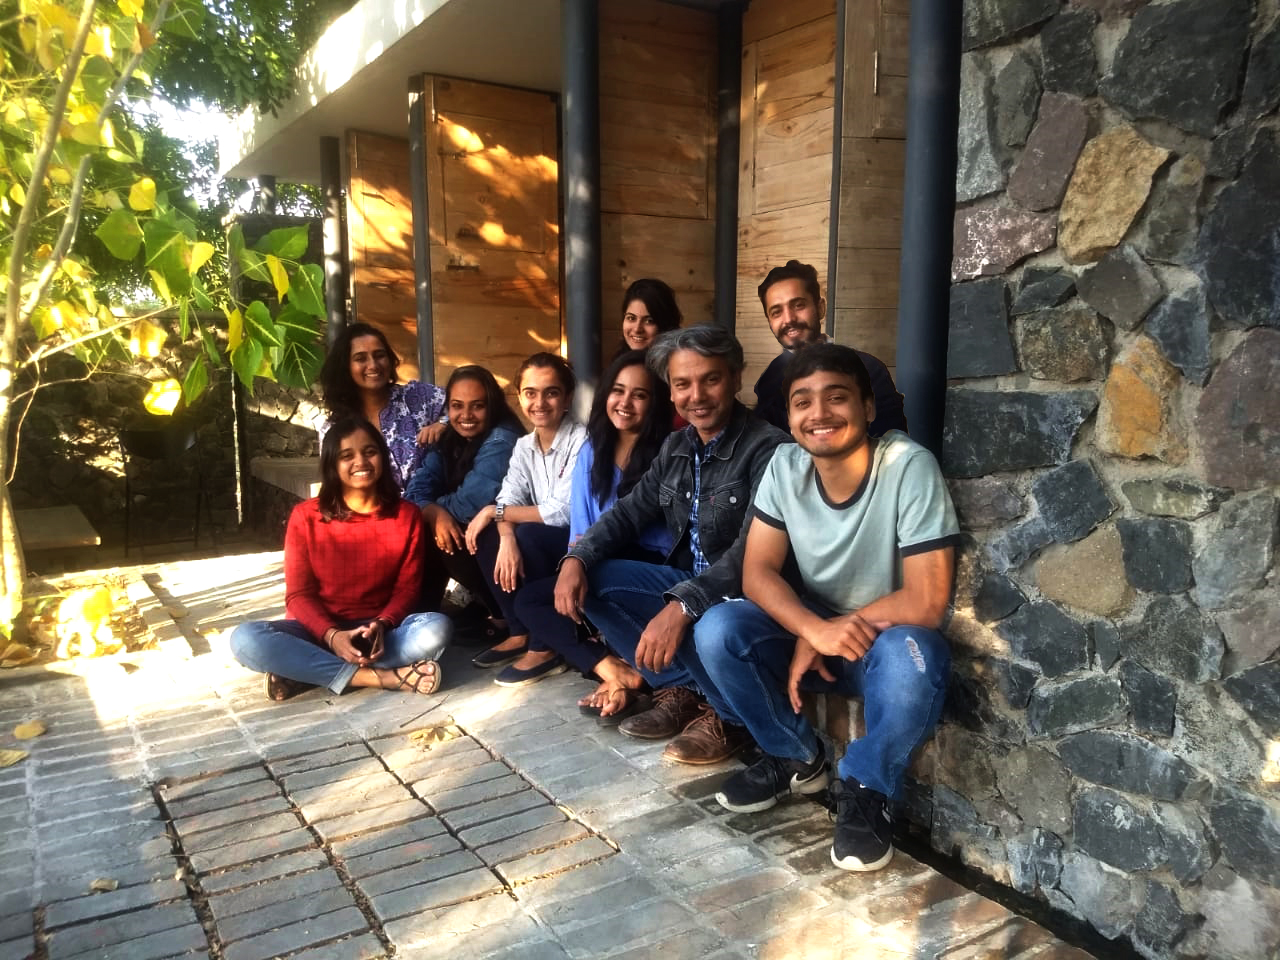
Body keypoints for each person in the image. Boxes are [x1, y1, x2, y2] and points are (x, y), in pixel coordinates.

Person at [698, 343, 957, 872]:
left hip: (883, 642)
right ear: (790, 414)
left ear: (867, 407)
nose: (819, 413)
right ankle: (794, 757)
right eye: (802, 401)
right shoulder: (785, 466)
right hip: (819, 633)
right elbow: (757, 572)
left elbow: (927, 600)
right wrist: (811, 629)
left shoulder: (908, 466)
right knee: (717, 629)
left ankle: (865, 788)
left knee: (917, 656)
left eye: (836, 397)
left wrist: (827, 630)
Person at [554, 325, 790, 764]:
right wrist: (576, 559)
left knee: (708, 620)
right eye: (682, 384)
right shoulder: (678, 446)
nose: (696, 396)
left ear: (735, 377)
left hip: (747, 597)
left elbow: (751, 552)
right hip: (692, 582)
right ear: (671, 390)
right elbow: (628, 512)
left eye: (710, 379)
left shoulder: (769, 449)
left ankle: (730, 719)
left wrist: (683, 605)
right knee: (595, 578)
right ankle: (687, 689)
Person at [230, 416, 451, 699]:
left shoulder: (406, 515)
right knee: (245, 640)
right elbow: (298, 595)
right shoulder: (305, 516)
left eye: (370, 452)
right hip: (317, 632)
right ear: (332, 464)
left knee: (436, 629)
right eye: (347, 456)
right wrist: (332, 635)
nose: (361, 462)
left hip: (377, 634)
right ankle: (383, 677)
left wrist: (382, 623)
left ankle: (307, 671)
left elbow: (407, 590)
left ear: (382, 457)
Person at [498, 349, 674, 694]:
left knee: (568, 593)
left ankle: (612, 664)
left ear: (654, 402)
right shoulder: (593, 450)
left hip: (649, 562)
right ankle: (611, 669)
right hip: (598, 557)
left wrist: (584, 565)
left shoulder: (668, 450)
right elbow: (580, 524)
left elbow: (665, 538)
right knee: (531, 598)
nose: (625, 403)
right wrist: (574, 563)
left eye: (639, 395)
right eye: (618, 391)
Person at [465, 354, 588, 683]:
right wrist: (505, 536)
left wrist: (495, 512)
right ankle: (519, 630)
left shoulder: (582, 441)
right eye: (530, 393)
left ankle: (545, 645)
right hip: (543, 539)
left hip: (579, 543)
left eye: (551, 393)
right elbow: (509, 498)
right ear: (519, 397)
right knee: (489, 535)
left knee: (528, 534)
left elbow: (564, 511)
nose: (540, 403)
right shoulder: (524, 446)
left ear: (567, 398)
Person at [404, 365, 524, 622]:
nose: (466, 415)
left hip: (510, 547)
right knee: (423, 527)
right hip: (475, 548)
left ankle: (504, 616)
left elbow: (467, 506)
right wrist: (432, 511)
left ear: (492, 406)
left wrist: (434, 512)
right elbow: (415, 491)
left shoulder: (502, 439)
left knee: (442, 531)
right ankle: (418, 620)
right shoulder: (450, 436)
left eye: (477, 406)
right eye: (457, 406)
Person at [753, 260, 907, 437]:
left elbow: (893, 444)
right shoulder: (768, 381)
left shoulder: (869, 369)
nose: (788, 319)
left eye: (798, 305)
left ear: (820, 308)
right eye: (776, 312)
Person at [317, 323, 447, 492]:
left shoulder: (418, 397)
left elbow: (471, 406)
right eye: (361, 358)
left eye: (379, 355)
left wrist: (444, 424)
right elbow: (334, 484)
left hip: (434, 504)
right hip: (374, 508)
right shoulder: (334, 427)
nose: (373, 365)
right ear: (345, 367)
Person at [617, 278, 682, 353]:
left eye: (649, 321)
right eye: (631, 318)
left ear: (666, 324)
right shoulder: (621, 357)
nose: (637, 329)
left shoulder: (677, 358)